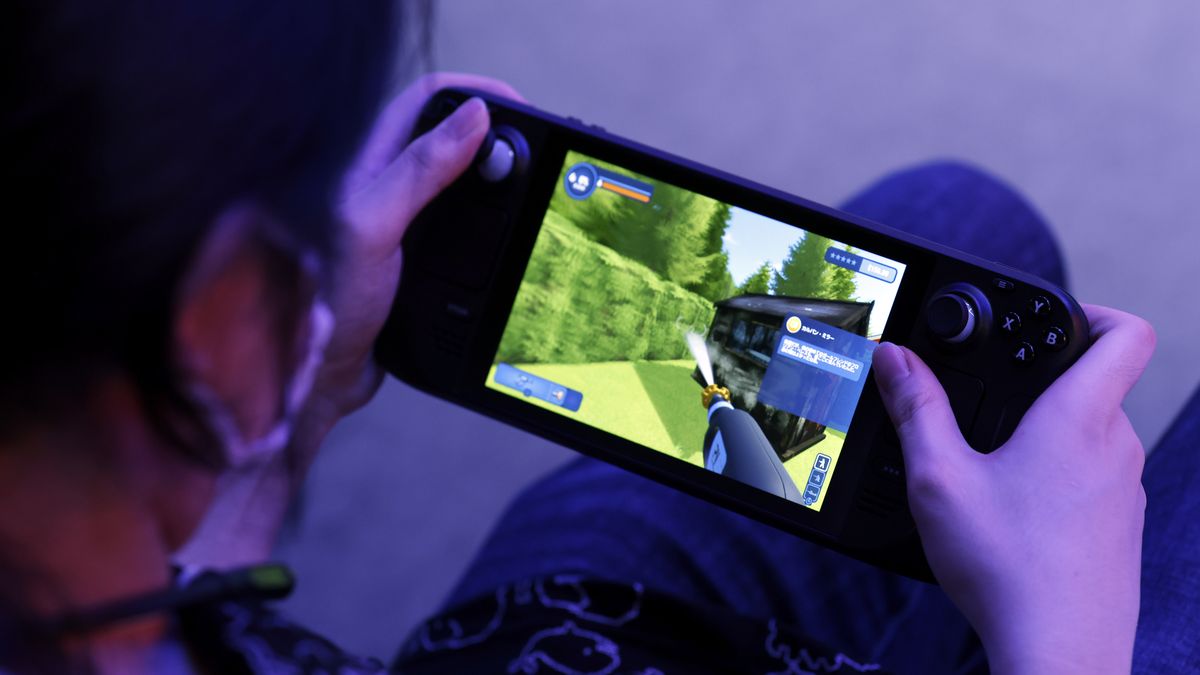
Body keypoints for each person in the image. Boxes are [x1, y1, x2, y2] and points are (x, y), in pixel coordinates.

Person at [1, 1, 1194, 673]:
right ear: (218, 313)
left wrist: (272, 420)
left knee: (957, 228)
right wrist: (1064, 644)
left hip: (541, 646)